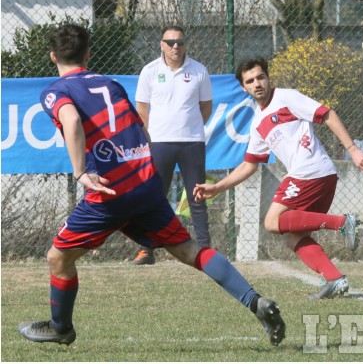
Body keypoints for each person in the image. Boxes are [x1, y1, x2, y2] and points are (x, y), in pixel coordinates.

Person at [19, 24, 285, 346]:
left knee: (58, 258)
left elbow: (72, 121)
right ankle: (256, 302)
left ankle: (61, 327)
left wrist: (80, 173)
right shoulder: (111, 84)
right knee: (190, 250)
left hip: (109, 193)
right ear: (88, 55)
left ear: (52, 57)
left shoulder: (55, 91)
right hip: (145, 185)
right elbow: (140, 130)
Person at [193, 57, 363, 299]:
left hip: (310, 171)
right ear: (243, 87)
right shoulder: (258, 123)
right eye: (250, 81)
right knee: (293, 238)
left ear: (268, 78)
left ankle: (343, 223)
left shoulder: (286, 97)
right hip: (318, 177)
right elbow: (249, 165)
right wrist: (217, 187)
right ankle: (335, 279)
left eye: (260, 77)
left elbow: (327, 114)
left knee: (271, 221)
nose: (257, 83)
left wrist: (353, 150)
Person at [130, 25, 212, 265]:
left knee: (197, 197)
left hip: (192, 143)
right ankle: (147, 250)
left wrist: (191, 126)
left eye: (180, 42)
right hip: (159, 143)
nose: (175, 46)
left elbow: (206, 106)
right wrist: (149, 138)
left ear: (186, 44)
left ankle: (206, 251)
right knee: (154, 198)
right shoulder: (149, 71)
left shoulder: (199, 71)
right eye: (170, 42)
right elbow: (142, 109)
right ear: (161, 44)